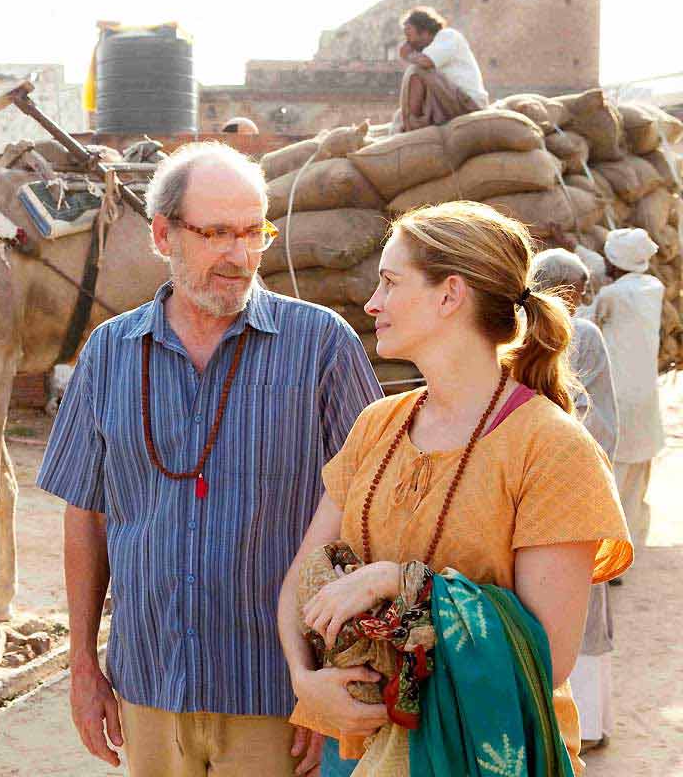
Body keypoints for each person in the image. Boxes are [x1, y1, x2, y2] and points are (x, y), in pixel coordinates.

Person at [37, 141, 382, 776]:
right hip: (149, 685)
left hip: (278, 692)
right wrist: (82, 665)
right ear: (162, 235)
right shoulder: (108, 353)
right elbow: (86, 517)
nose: (240, 256)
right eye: (218, 233)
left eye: (253, 233)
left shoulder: (322, 347)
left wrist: (326, 676)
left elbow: (371, 512)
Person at [278, 202, 631, 776]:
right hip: (357, 752)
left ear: (449, 295)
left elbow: (545, 656)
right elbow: (302, 571)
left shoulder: (551, 447)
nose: (372, 303)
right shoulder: (377, 424)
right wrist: (305, 679)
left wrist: (399, 582)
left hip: (482, 751)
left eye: (391, 282)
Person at [532, 248, 620, 753]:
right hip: (576, 476)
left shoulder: (529, 333)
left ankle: (572, 726)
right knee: (582, 604)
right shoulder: (581, 332)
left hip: (548, 480)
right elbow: (601, 416)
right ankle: (586, 726)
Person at [584, 228, 665, 553]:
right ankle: (631, 548)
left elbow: (585, 320)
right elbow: (610, 268)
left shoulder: (612, 296)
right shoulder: (653, 287)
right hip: (645, 399)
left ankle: (610, 555)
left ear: (614, 264)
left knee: (613, 477)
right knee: (636, 478)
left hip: (620, 399)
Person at [395, 7, 487, 132]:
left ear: (424, 31)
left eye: (409, 34)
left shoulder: (448, 36)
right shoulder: (429, 49)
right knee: (399, 116)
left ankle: (412, 126)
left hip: (468, 103)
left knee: (415, 71)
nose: (408, 41)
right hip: (450, 101)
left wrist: (408, 55)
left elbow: (426, 62)